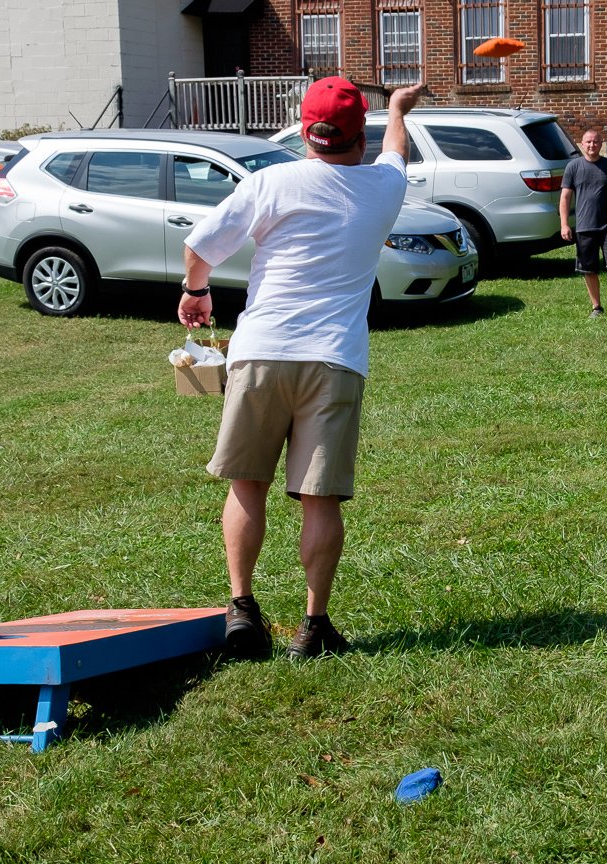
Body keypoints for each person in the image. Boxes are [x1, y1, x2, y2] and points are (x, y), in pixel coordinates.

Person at [177, 77, 424, 660]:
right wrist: (397, 109)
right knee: (320, 500)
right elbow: (397, 150)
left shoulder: (270, 181)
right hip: (334, 360)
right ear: (355, 135)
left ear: (304, 131)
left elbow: (201, 245)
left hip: (259, 352)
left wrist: (197, 293)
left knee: (247, 483)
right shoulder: (383, 189)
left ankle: (242, 612)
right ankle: (313, 628)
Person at [560, 129, 607, 319]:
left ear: (601, 144)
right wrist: (564, 224)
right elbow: (565, 196)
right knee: (588, 268)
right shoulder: (573, 167)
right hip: (584, 226)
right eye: (588, 142)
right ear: (582, 144)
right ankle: (596, 307)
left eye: (596, 142)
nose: (592, 145)